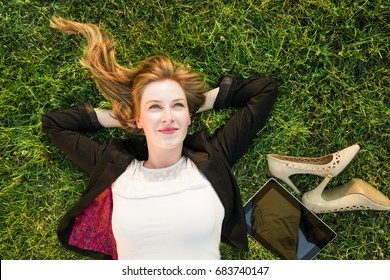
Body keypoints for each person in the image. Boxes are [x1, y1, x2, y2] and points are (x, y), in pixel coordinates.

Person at [42, 17, 278, 260]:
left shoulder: (213, 156)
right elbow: (54, 124)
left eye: (176, 105)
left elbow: (264, 90)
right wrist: (126, 118)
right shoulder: (116, 167)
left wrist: (191, 105)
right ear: (140, 119)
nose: (167, 117)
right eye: (155, 107)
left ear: (189, 116)